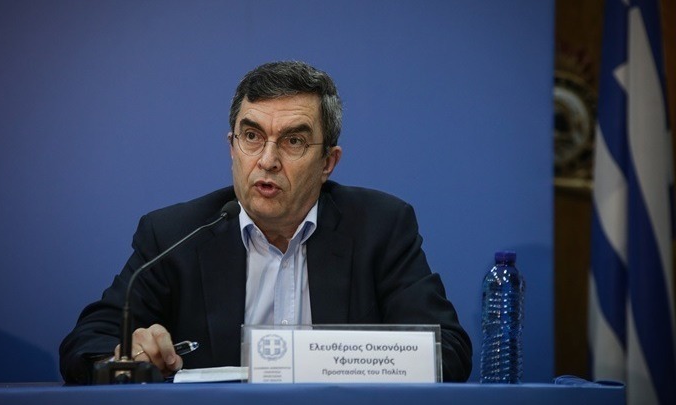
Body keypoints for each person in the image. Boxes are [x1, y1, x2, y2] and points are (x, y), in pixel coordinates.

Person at [59, 61, 472, 384]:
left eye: (293, 141)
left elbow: (448, 351)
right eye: (252, 136)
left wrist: (359, 363)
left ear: (328, 162)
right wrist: (126, 355)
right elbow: (87, 342)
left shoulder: (379, 228)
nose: (268, 160)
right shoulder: (173, 235)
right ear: (232, 147)